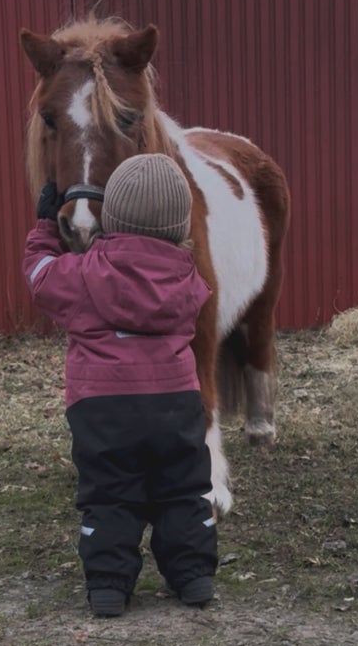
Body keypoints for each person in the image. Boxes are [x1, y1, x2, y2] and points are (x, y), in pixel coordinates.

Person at [22, 153, 218, 617]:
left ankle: (109, 587)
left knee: (110, 495)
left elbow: (39, 276)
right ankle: (194, 576)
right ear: (179, 224)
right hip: (175, 402)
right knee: (182, 490)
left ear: (112, 216)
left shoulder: (82, 274)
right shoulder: (188, 278)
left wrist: (45, 229)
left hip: (103, 406)